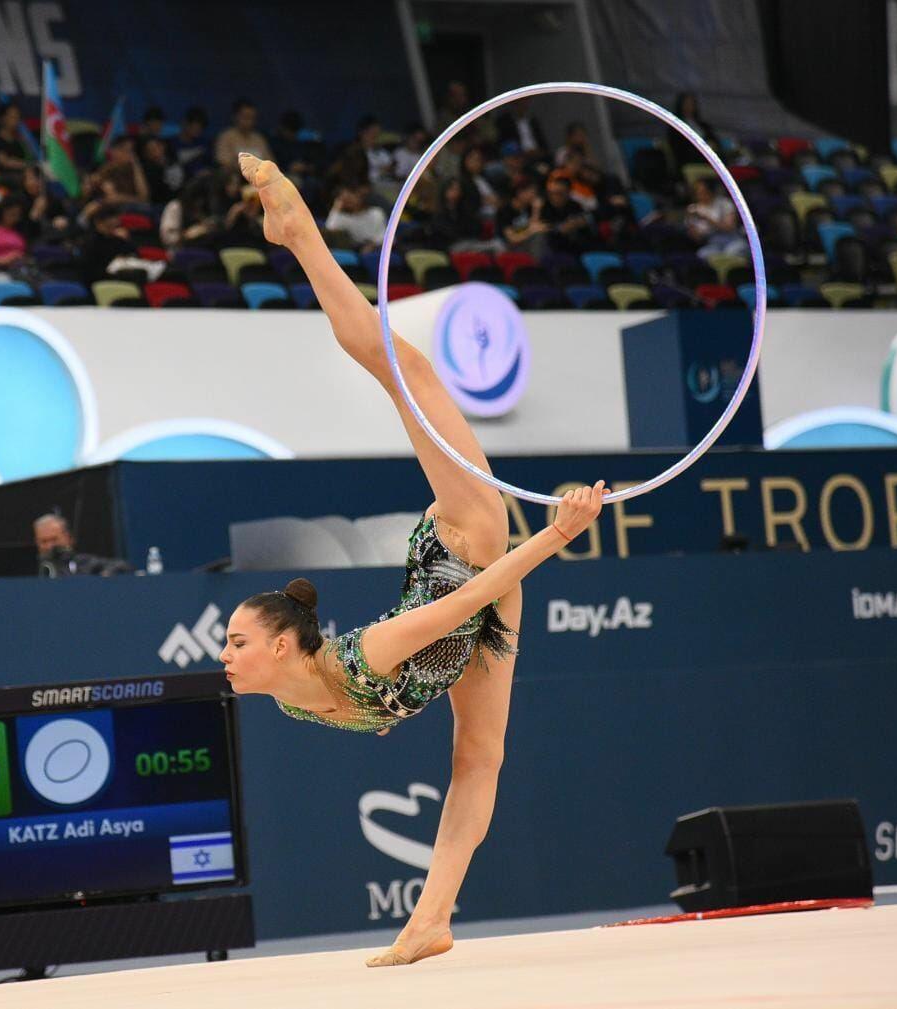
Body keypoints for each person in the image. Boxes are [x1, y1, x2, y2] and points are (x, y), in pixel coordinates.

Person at [230, 152, 607, 968]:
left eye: (236, 642)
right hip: (471, 620)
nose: (224, 655)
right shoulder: (295, 701)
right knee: (478, 757)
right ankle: (430, 920)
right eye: (231, 642)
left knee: (404, 369)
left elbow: (463, 602)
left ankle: (298, 233)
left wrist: (556, 532)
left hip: (467, 549)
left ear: (285, 645)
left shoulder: (365, 656)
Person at [34, 514, 132, 577]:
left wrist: (106, 574)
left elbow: (123, 566)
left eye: (54, 540)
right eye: (44, 541)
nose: (50, 546)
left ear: (68, 538)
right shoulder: (33, 569)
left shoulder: (83, 563)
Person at [686, 177, 746, 258]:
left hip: (732, 239)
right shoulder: (694, 209)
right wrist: (691, 227)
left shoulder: (725, 203)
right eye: (697, 192)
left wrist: (706, 218)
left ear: (711, 191)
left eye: (703, 191)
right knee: (702, 254)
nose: (700, 194)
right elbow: (698, 239)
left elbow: (730, 227)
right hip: (712, 243)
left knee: (733, 252)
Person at [214, 98, 272, 170]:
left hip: (260, 175)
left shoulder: (258, 138)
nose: (249, 121)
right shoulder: (226, 137)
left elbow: (270, 162)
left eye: (252, 118)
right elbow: (223, 162)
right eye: (245, 117)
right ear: (235, 117)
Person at [323, 184, 385, 250]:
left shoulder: (376, 213)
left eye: (350, 197)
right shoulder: (343, 217)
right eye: (343, 199)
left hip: (378, 247)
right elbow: (329, 229)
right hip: (356, 249)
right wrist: (336, 209)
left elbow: (382, 236)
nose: (348, 201)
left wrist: (372, 245)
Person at [0, 101, 29, 178]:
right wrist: (27, 164)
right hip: (3, 178)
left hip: (22, 177)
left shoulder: (21, 140)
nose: (16, 120)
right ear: (1, 118)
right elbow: (4, 161)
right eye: (12, 117)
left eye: (18, 117)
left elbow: (29, 158)